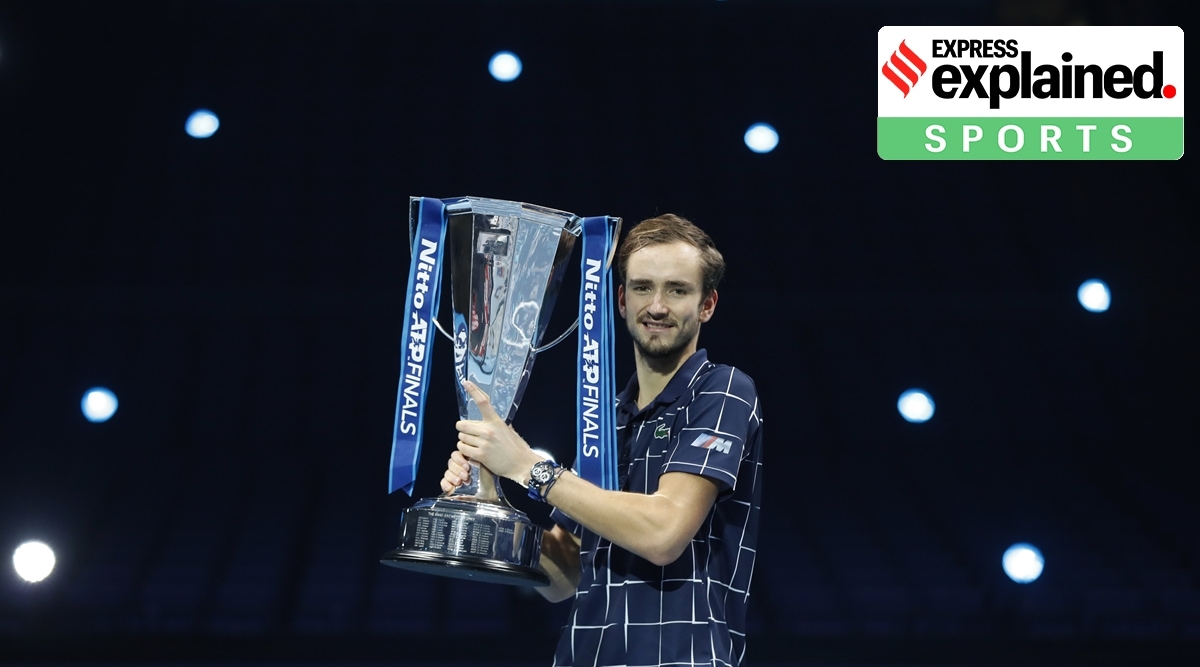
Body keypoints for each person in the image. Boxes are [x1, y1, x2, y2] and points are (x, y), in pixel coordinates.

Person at [441, 214, 764, 667]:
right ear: (621, 300)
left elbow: (664, 534)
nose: (657, 306)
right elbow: (563, 576)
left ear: (707, 304)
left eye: (677, 290)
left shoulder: (723, 390)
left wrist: (528, 467)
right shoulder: (606, 418)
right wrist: (493, 499)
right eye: (643, 287)